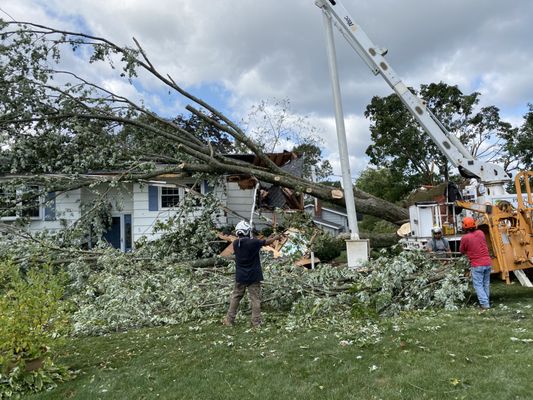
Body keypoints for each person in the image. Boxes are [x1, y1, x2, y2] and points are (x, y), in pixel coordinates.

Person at [223, 220, 282, 327]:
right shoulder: (253, 242)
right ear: (247, 232)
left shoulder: (236, 243)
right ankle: (256, 322)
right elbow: (266, 242)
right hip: (253, 276)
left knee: (236, 296)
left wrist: (270, 236)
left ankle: (229, 319)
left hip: (241, 276)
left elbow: (260, 241)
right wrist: (276, 237)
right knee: (255, 299)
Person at [459, 216, 492, 311]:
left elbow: (461, 251)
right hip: (487, 262)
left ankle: (484, 305)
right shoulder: (480, 233)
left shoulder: (465, 238)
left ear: (464, 227)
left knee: (478, 285)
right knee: (485, 283)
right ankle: (486, 301)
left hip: (477, 264)